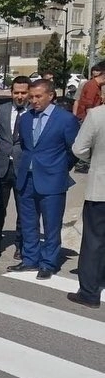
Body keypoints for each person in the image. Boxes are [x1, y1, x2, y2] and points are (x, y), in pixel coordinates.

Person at [7, 80, 79, 280]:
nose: (33, 101)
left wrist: (60, 168)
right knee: (28, 222)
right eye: (31, 97)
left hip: (53, 179)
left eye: (38, 96)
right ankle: (30, 259)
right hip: (27, 177)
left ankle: (48, 262)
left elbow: (74, 150)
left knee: (51, 224)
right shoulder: (26, 118)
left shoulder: (65, 119)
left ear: (51, 95)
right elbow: (24, 145)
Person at [0, 76, 30, 259]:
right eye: (16, 92)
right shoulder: (1, 110)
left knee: (24, 210)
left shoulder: (33, 112)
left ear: (29, 93)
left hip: (23, 167)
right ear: (11, 92)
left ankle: (21, 245)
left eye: (23, 92)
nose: (19, 96)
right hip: (2, 165)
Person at [69, 104, 105, 308]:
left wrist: (95, 160)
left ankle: (89, 293)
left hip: (101, 187)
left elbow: (79, 148)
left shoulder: (97, 115)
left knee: (94, 240)